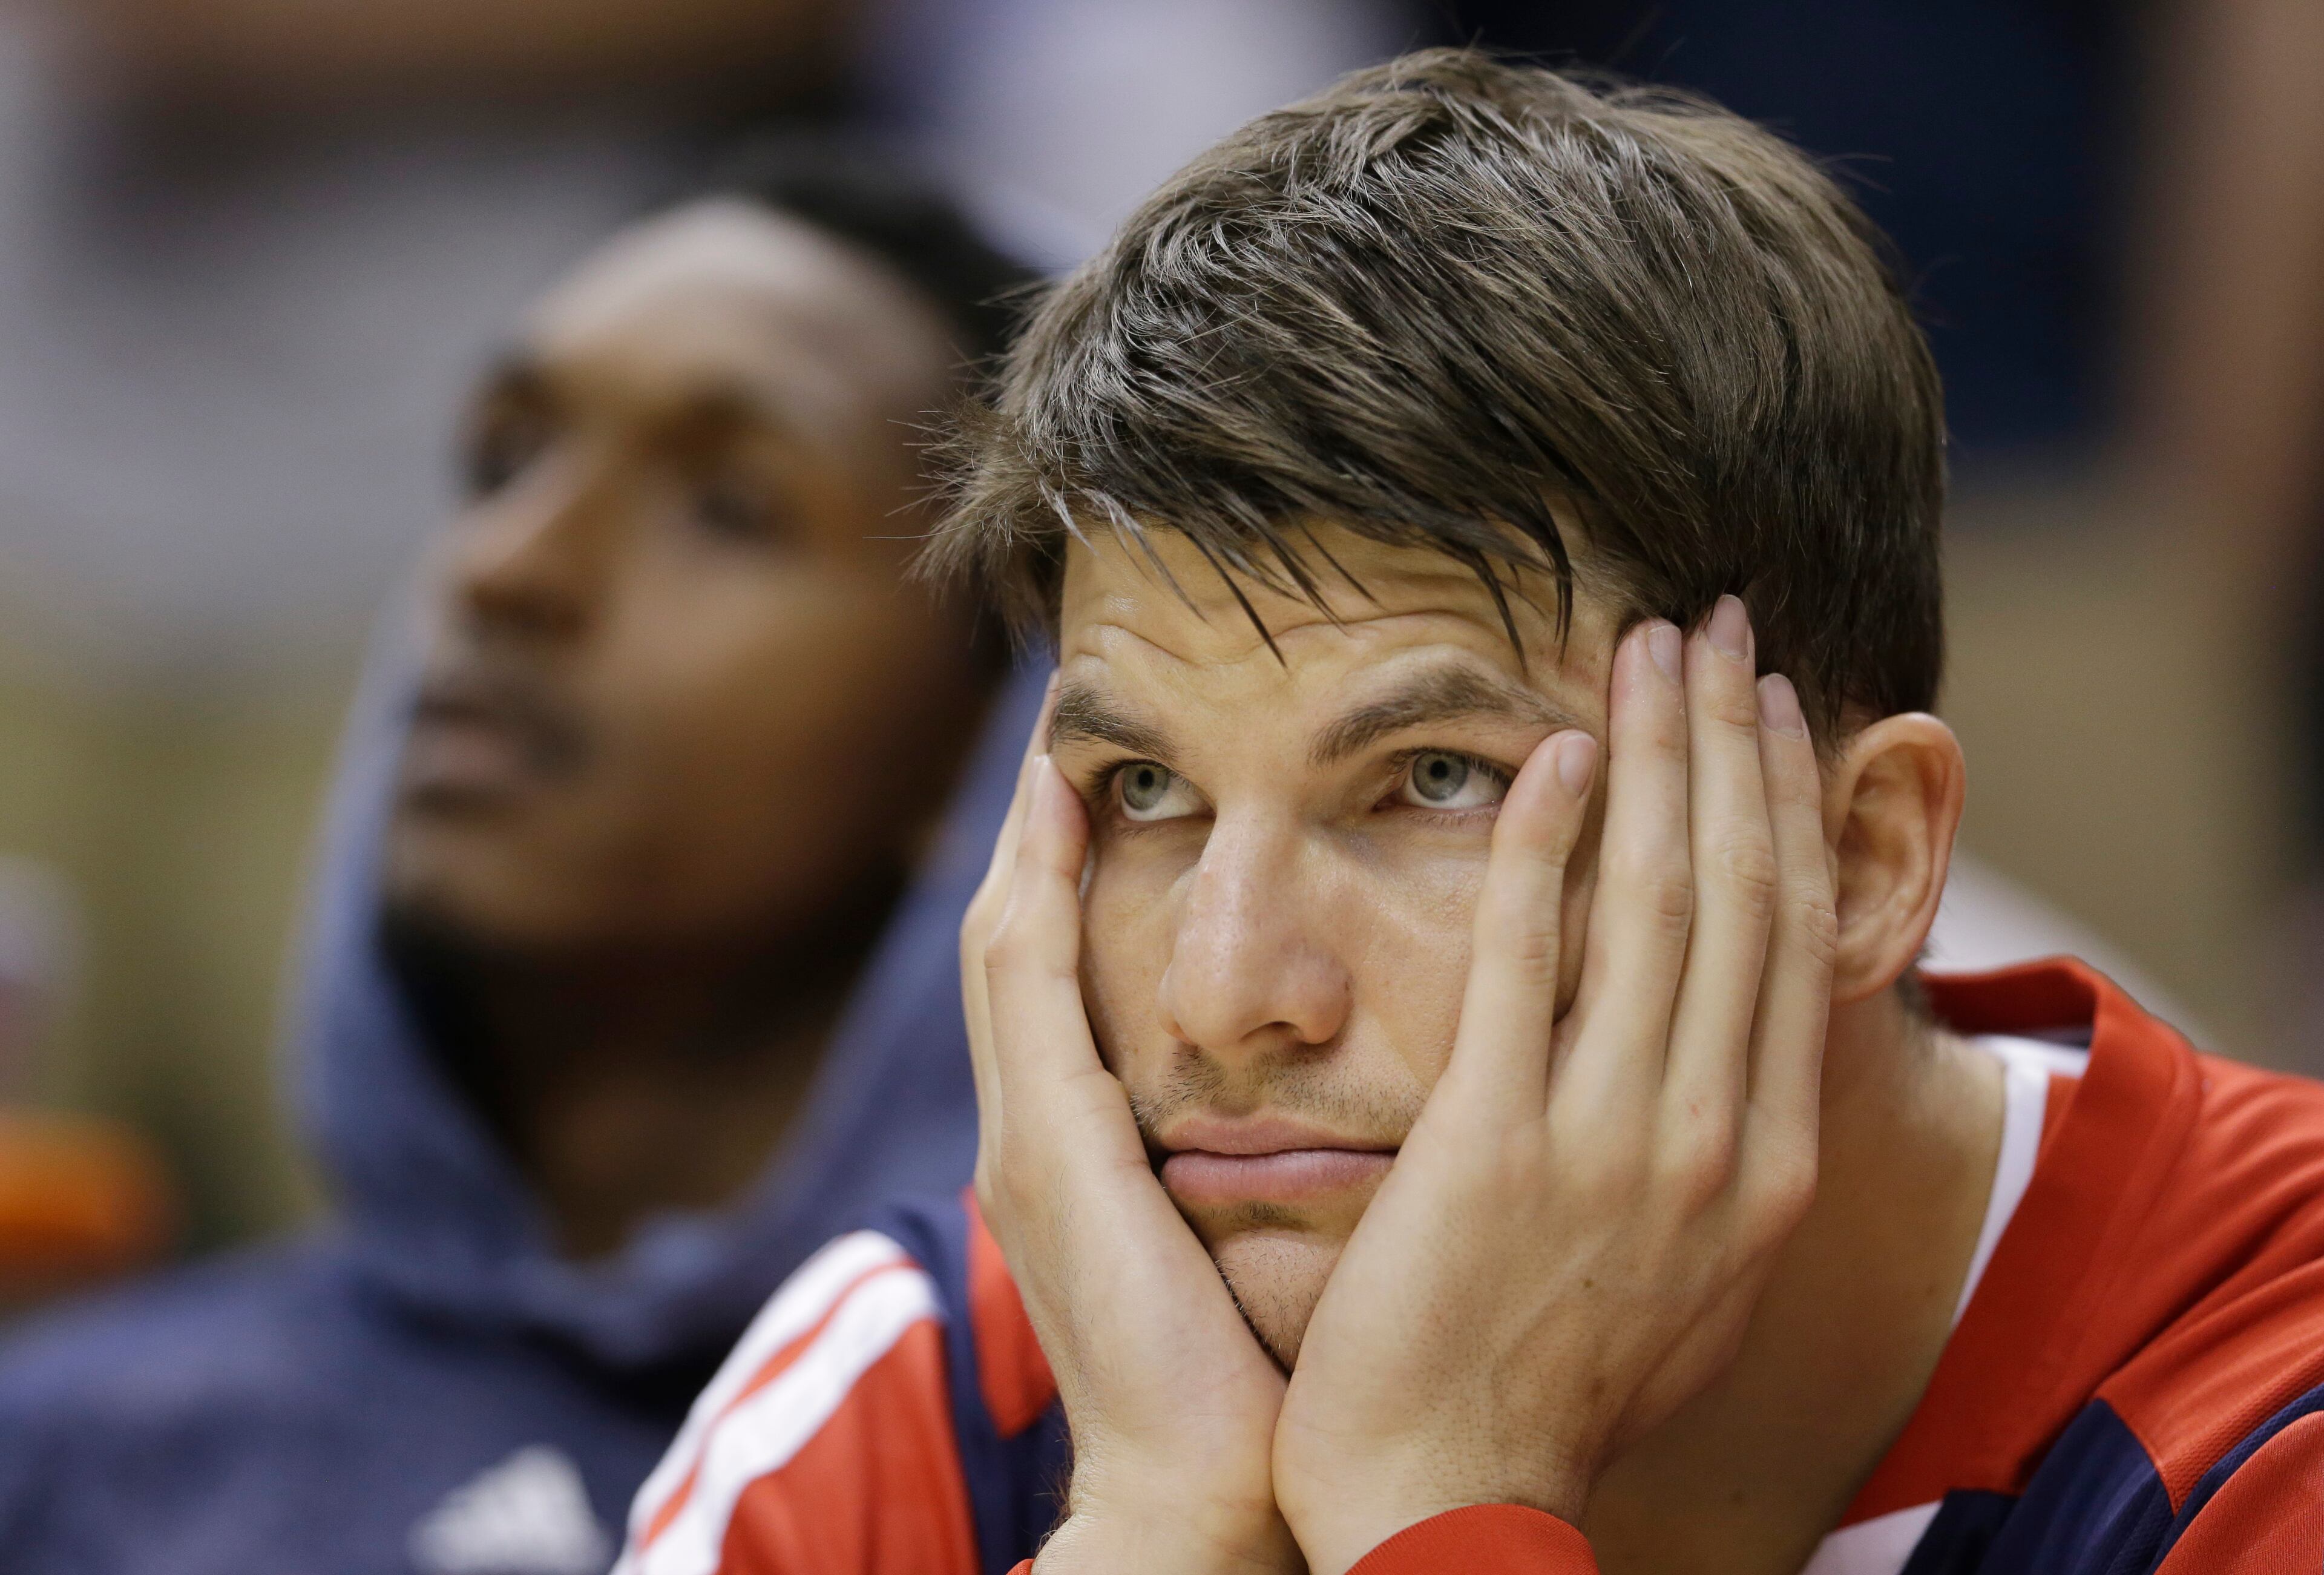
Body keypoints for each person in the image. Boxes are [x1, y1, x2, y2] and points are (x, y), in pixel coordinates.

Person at [614, 54, 2324, 1575]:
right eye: (1148, 792)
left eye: (1434, 779)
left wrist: (1439, 1499)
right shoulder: (929, 1401)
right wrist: (1147, 1530)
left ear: (1860, 861)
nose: (1227, 991)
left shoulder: (2273, 1404)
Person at [0, 139, 1041, 1574]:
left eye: (727, 502)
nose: (506, 567)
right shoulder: (73, 1449)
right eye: (501, 460)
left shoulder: (1134, 1490)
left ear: (998, 736)